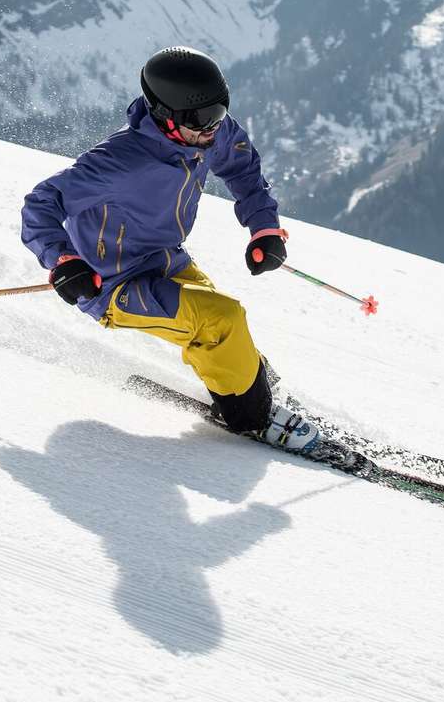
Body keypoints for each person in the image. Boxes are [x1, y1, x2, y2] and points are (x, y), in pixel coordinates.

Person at [20, 46, 319, 453]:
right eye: (201, 119)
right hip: (111, 285)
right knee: (222, 320)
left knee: (221, 318)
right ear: (164, 115)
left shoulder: (211, 132)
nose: (213, 128)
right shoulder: (117, 161)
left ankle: (252, 384)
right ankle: (253, 416)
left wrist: (264, 227)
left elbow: (242, 168)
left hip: (165, 259)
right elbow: (41, 203)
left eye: (219, 111)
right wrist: (64, 262)